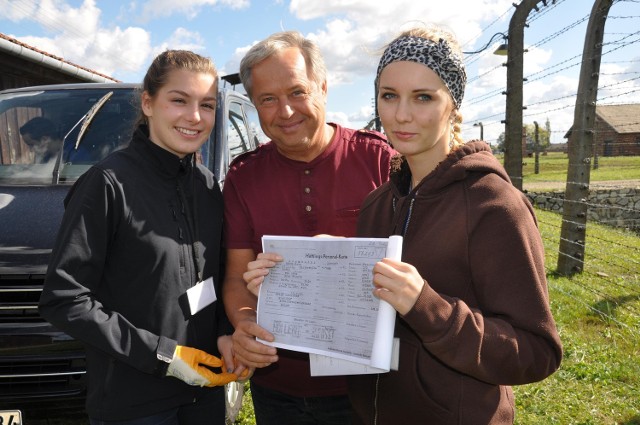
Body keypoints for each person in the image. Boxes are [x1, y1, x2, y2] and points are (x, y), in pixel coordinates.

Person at [346, 25, 563, 424]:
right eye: (388, 96)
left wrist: (428, 307)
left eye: (424, 97)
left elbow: (536, 351)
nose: (401, 114)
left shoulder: (493, 205)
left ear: (454, 105)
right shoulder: (376, 205)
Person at [38, 50, 244, 425]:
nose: (195, 117)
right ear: (148, 103)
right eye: (179, 100)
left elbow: (212, 277)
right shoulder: (106, 185)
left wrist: (224, 333)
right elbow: (64, 299)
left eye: (208, 105)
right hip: (135, 404)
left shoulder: (207, 187)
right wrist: (163, 356)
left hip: (205, 394)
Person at [222, 31, 395, 424]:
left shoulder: (380, 161)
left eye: (297, 92)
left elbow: (421, 263)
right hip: (279, 386)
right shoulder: (243, 177)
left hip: (370, 385)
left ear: (323, 88)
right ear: (254, 106)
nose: (285, 111)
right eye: (268, 99)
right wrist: (246, 323)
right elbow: (236, 277)